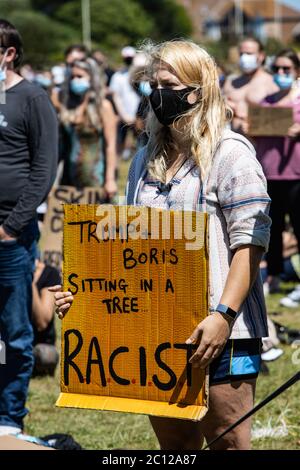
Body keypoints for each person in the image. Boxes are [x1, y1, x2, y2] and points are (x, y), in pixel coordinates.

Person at [51, 40, 271, 450]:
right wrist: (86, 295)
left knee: (229, 443)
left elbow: (250, 244)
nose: (157, 94)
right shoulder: (143, 159)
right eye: (152, 84)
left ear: (197, 90)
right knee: (175, 449)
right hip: (156, 332)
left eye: (167, 84)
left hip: (222, 332)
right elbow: (128, 243)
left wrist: (222, 315)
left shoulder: (231, 153)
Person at [0, 19, 58, 435]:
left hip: (11, 236)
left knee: (14, 332)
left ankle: (8, 420)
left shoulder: (32, 99)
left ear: (9, 53)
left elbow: (43, 171)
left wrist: (10, 227)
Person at [255, 49, 300, 294]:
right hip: (270, 173)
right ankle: (273, 276)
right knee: (272, 229)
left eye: (287, 69)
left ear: (296, 72)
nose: (281, 73)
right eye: (278, 69)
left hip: (296, 175)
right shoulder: (266, 103)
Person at [57, 58, 118, 198]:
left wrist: (110, 180)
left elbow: (110, 146)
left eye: (80, 76)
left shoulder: (103, 106)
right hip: (69, 176)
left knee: (96, 219)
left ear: (91, 78)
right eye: (72, 77)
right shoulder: (68, 105)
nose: (75, 80)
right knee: (72, 219)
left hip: (95, 177)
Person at [223, 37, 277, 134]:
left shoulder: (271, 83)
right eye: (241, 54)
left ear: (261, 56)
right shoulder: (231, 82)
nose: (244, 57)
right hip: (233, 141)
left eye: (249, 54)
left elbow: (279, 119)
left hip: (258, 144)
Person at [109, 46, 140, 159]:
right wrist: (123, 115)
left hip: (139, 115)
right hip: (123, 115)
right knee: (120, 140)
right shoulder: (118, 76)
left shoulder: (141, 74)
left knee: (140, 143)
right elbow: (115, 96)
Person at [31, 258, 61, 377]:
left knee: (46, 356)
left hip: (39, 346)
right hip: (11, 342)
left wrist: (28, 279)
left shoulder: (50, 273)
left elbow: (42, 322)